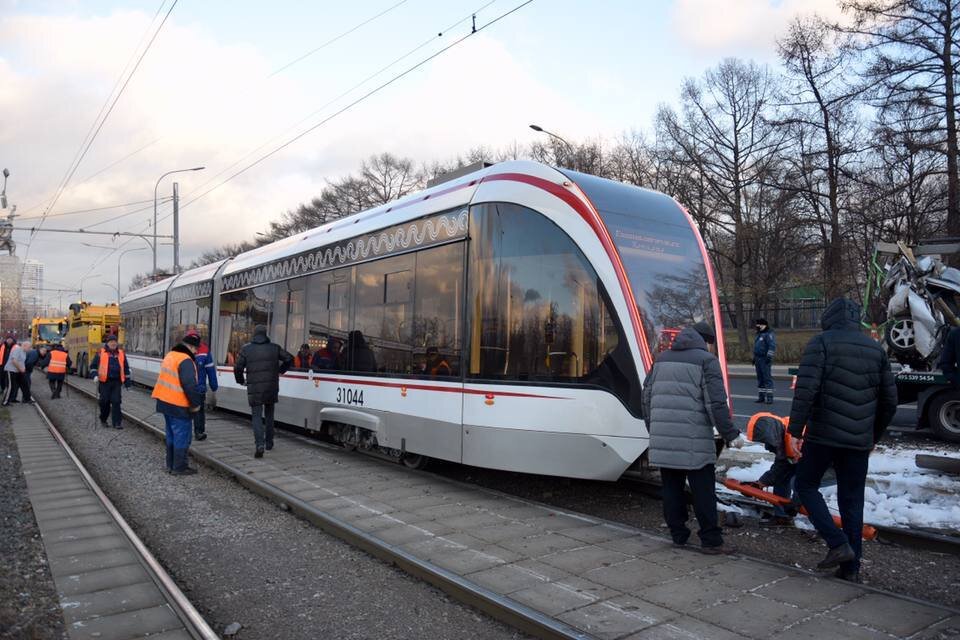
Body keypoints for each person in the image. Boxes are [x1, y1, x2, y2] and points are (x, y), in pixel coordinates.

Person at [789, 298, 897, 583]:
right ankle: (851, 569)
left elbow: (806, 392)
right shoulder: (876, 350)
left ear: (829, 318)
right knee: (852, 501)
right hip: (859, 441)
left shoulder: (821, 343)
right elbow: (890, 401)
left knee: (805, 485)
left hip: (823, 435)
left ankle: (838, 544)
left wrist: (795, 431)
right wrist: (873, 435)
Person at [642, 321, 742, 554]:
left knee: (671, 488)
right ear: (707, 342)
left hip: (664, 437)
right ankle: (711, 541)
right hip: (693, 440)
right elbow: (716, 404)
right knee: (703, 490)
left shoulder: (661, 359)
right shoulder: (707, 361)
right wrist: (731, 434)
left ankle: (678, 536)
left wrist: (654, 428)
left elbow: (646, 397)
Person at [234, 325, 293, 458]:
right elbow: (290, 358)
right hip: (271, 387)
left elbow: (237, 367)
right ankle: (269, 443)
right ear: (265, 334)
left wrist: (240, 380)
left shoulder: (246, 349)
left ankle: (259, 444)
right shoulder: (274, 348)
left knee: (256, 416)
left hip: (254, 388)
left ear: (254, 335)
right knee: (270, 414)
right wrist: (280, 371)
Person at [153, 333, 204, 475]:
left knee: (171, 435)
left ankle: (170, 465)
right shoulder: (185, 359)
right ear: (191, 346)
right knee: (182, 436)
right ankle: (179, 467)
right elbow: (189, 384)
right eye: (196, 349)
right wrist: (195, 403)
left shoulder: (171, 355)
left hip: (164, 402)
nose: (196, 352)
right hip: (178, 404)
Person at [744, 412, 801, 527]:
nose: (767, 447)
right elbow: (781, 467)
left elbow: (808, 475)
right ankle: (782, 517)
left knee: (800, 484)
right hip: (805, 463)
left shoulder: (797, 438)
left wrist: (797, 501)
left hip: (830, 466)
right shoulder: (783, 435)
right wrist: (760, 484)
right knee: (781, 479)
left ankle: (826, 529)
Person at [89, 335, 131, 429]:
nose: (113, 343)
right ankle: (103, 419)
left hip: (116, 382)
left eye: (115, 342)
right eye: (111, 342)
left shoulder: (121, 353)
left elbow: (126, 368)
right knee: (104, 402)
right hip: (104, 382)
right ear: (107, 343)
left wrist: (127, 383)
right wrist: (94, 375)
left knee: (116, 402)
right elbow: (93, 366)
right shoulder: (101, 353)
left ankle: (117, 423)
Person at [188, 330, 218, 441]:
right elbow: (210, 370)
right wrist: (213, 385)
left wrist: (213, 385)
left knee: (197, 410)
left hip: (196, 388)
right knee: (195, 410)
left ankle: (198, 431)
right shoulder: (203, 350)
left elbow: (210, 369)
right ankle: (196, 431)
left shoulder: (204, 351)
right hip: (189, 387)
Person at [753, 318, 776, 404]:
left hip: (764, 359)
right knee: (760, 379)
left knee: (767, 379)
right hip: (758, 359)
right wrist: (754, 358)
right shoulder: (759, 334)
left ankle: (769, 398)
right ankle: (761, 397)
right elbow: (757, 347)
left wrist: (769, 357)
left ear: (763, 325)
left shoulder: (768, 334)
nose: (757, 326)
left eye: (758, 325)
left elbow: (772, 346)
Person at [2, 339, 26, 405]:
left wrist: (23, 369)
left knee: (14, 386)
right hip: (10, 370)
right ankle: (5, 402)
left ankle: (10, 399)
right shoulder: (18, 350)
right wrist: (21, 369)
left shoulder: (23, 352)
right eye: (29, 347)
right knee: (10, 386)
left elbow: (21, 362)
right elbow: (14, 360)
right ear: (24, 346)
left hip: (15, 371)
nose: (30, 349)